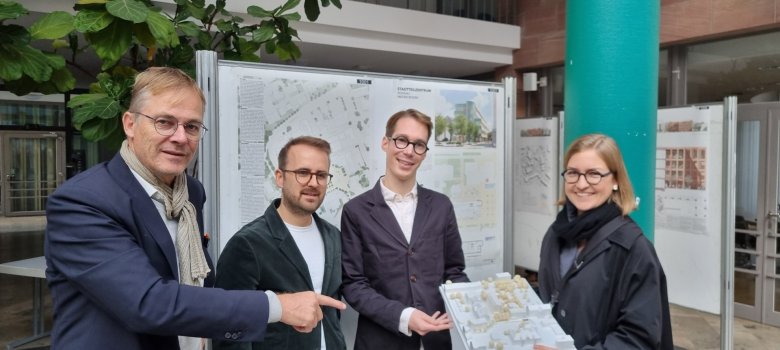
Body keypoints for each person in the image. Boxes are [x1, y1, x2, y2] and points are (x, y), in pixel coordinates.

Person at [44, 67, 345, 350]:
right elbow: (147, 302)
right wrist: (278, 306)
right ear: (130, 124)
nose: (180, 137)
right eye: (164, 122)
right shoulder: (84, 201)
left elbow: (195, 278)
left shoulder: (190, 193)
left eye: (192, 126)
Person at [341, 109, 469, 350]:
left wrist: (471, 302)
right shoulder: (355, 211)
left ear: (424, 153)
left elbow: (455, 271)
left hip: (436, 342)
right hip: (380, 342)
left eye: (419, 144)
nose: (409, 151)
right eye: (402, 140)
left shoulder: (441, 206)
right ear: (385, 142)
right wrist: (404, 316)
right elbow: (353, 284)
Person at [536, 133, 673, 349]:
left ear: (616, 180)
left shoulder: (634, 248)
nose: (581, 184)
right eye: (573, 173)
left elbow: (639, 339)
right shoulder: (555, 234)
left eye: (594, 174)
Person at [214, 136, 345, 350]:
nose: (313, 183)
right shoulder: (248, 244)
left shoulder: (334, 238)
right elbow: (229, 329)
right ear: (280, 177)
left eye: (321, 175)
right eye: (303, 173)